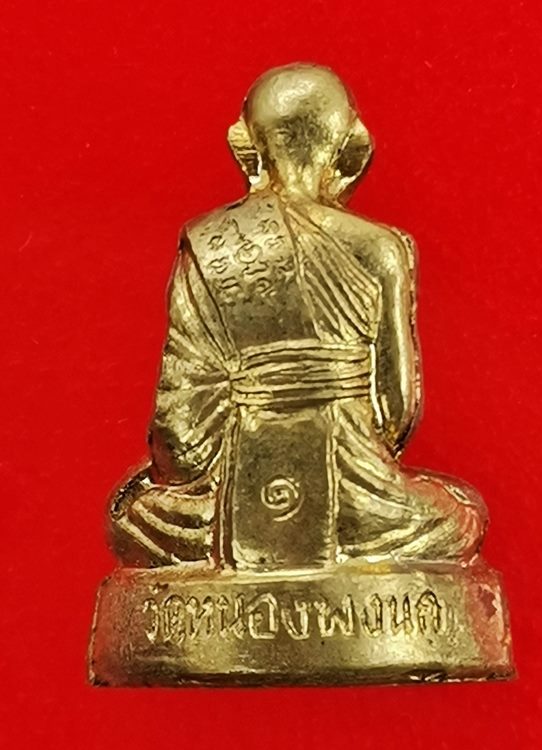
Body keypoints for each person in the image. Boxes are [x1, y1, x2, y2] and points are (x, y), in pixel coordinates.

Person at [110, 64, 487, 569]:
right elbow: (395, 409)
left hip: (227, 500)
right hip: (356, 489)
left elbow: (176, 423)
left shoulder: (207, 245)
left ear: (245, 146)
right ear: (352, 144)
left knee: (133, 515)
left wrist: (201, 472)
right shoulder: (379, 248)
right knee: (461, 516)